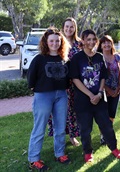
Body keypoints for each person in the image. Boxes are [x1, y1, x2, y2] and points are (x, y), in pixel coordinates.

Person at [70, 30, 120, 163]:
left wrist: (99, 93)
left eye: (94, 39)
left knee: (106, 125)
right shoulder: (77, 58)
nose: (91, 42)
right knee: (85, 128)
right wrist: (90, 95)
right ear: (82, 40)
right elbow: (75, 79)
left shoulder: (99, 57)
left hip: (99, 99)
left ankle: (114, 148)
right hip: (83, 100)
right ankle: (88, 152)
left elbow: (103, 77)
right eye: (88, 39)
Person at [27, 27, 71, 171]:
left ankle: (60, 153)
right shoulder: (39, 58)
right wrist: (36, 89)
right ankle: (34, 159)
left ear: (61, 42)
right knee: (39, 128)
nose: (54, 43)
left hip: (61, 95)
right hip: (43, 96)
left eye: (57, 40)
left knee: (60, 127)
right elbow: (30, 78)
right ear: (46, 42)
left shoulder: (64, 58)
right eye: (51, 40)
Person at [48, 17, 81, 146]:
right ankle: (59, 135)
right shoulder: (58, 42)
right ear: (63, 27)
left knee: (73, 110)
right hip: (61, 82)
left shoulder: (79, 43)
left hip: (76, 83)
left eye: (71, 26)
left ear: (75, 28)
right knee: (60, 110)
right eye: (66, 26)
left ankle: (73, 136)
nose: (69, 29)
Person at [97, 35, 120, 145]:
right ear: (100, 45)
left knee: (112, 114)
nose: (106, 45)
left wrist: (118, 88)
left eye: (109, 42)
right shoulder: (98, 58)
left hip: (116, 90)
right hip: (103, 90)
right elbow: (98, 76)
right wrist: (107, 89)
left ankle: (108, 133)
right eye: (104, 43)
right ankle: (103, 135)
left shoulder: (116, 57)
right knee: (103, 115)